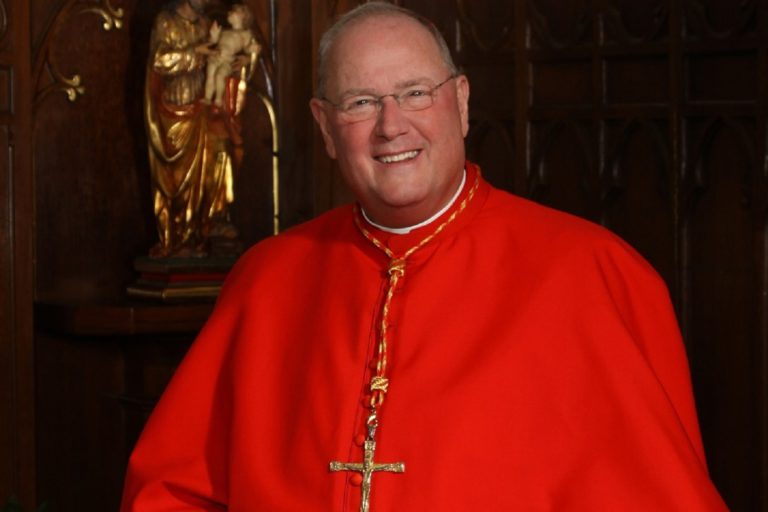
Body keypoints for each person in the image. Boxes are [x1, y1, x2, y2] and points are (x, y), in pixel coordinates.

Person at [122, 3, 729, 510]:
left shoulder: (593, 272)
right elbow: (169, 491)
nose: (391, 126)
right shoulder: (267, 279)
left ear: (460, 102)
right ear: (325, 127)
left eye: (415, 93)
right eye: (360, 102)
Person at [145, 0, 247, 258]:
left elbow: (220, 56)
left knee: (218, 160)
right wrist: (196, 53)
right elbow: (160, 60)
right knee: (177, 181)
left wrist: (237, 61)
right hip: (174, 113)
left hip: (204, 108)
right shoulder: (165, 22)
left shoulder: (205, 24)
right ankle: (178, 238)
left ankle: (210, 224)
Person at [203, 4, 260, 108]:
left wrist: (252, 49)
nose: (229, 13)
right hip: (216, 57)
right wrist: (213, 37)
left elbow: (247, 48)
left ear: (243, 16)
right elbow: (213, 42)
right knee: (210, 76)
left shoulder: (245, 34)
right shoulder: (225, 31)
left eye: (234, 11)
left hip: (228, 60)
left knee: (220, 76)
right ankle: (207, 97)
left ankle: (218, 99)